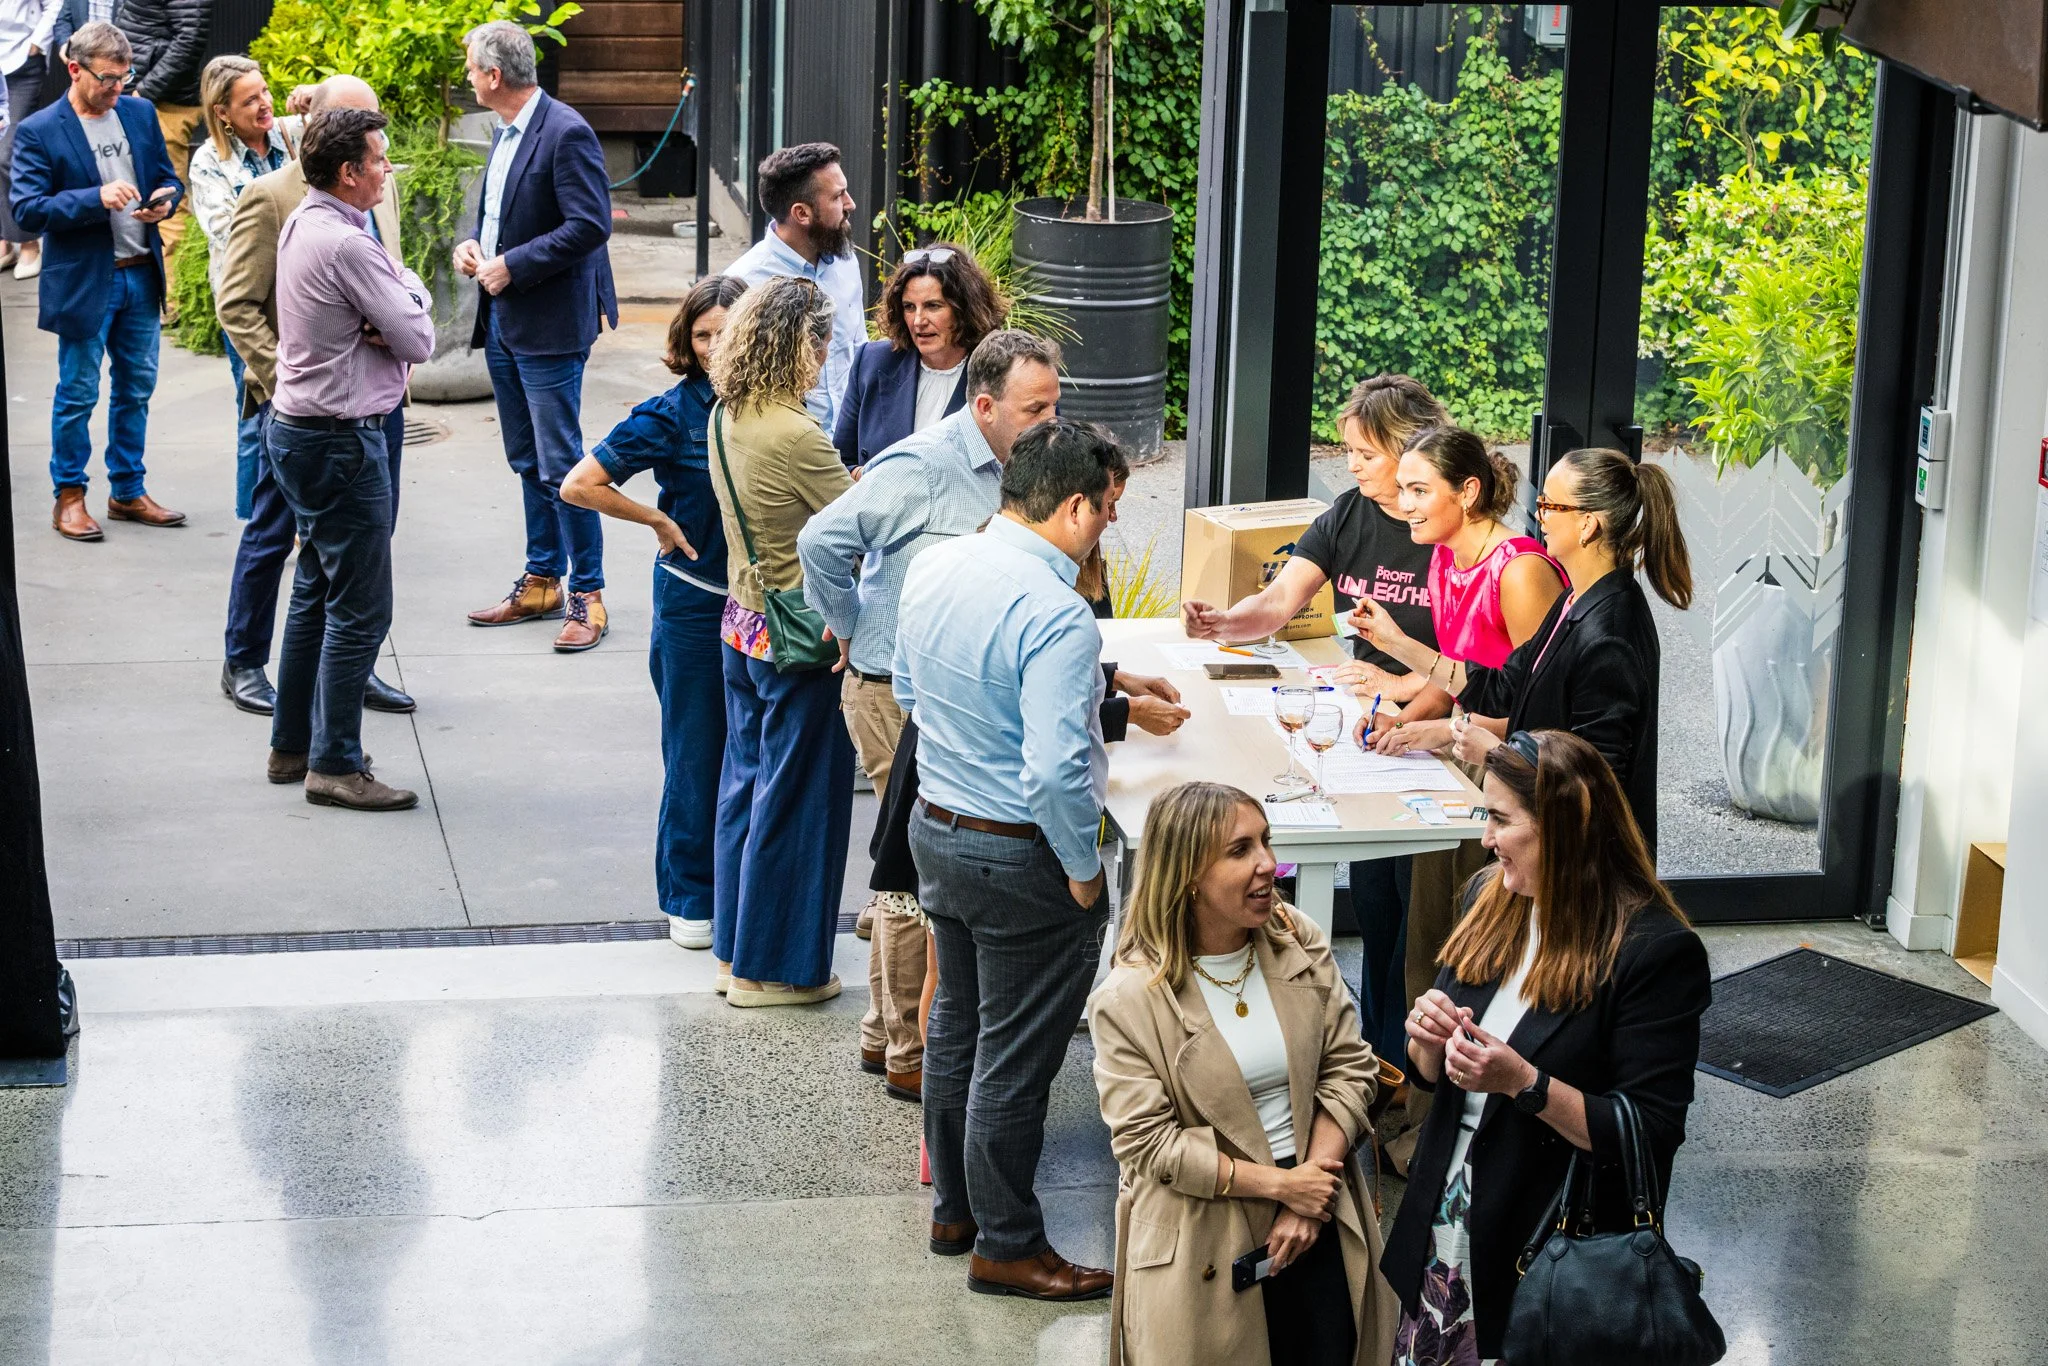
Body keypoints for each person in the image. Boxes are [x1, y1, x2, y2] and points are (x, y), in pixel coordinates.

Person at [1381, 729, 1710, 1364]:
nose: (1486, 840)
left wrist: (1524, 1084)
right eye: (1486, 816)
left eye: (1501, 820)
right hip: (1445, 1235)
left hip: (1551, 1255)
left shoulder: (1652, 952)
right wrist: (1425, 1043)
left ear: (1564, 826)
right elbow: (1431, 1078)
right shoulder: (1492, 899)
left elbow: (1648, 1129)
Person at [894, 417, 1128, 1301]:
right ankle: (1008, 1243)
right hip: (1018, 855)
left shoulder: (937, 565)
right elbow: (1056, 769)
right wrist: (1081, 866)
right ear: (1071, 507)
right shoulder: (1057, 615)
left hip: (937, 831)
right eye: (1104, 512)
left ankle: (954, 1210)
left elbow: (911, 694)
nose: (1105, 527)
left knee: (956, 1026)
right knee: (1016, 1060)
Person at [795, 329, 1064, 1102]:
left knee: (904, 872)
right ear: (984, 406)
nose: (1049, 419)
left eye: (1055, 402)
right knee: (915, 878)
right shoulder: (923, 466)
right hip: (891, 691)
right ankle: (909, 1048)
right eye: (1033, 407)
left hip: (942, 690)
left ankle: (887, 1036)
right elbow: (821, 540)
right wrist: (849, 624)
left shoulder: (1022, 462)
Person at [1180, 373, 1450, 1078]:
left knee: (1415, 921)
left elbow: (1478, 661)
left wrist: (1404, 689)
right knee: (1379, 906)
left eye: (1363, 451)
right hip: (1372, 737)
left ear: (1405, 448)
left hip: (1432, 746)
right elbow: (1278, 601)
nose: (1351, 464)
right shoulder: (1349, 514)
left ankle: (1401, 1073)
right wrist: (1224, 623)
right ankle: (1382, 1065)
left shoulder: (1447, 530)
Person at [1090, 781, 1400, 1366]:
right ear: (1187, 875)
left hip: (1320, 1195)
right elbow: (1149, 1146)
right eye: (1239, 851)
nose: (1267, 864)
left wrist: (1310, 1190)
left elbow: (1349, 1066)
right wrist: (1283, 1189)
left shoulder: (1296, 939)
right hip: (1206, 1226)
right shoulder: (1129, 998)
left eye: (1266, 841)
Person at [1355, 447, 1693, 854]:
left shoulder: (1610, 634)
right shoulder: (1574, 601)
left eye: (1550, 505)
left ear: (1587, 524)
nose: (1540, 515)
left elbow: (1595, 779)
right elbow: (1499, 689)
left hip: (1585, 865)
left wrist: (1496, 753)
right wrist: (1395, 643)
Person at [559, 274, 747, 949]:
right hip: (695, 605)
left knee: (752, 754)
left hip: (761, 606)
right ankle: (691, 896)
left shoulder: (777, 407)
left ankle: (744, 889)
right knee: (697, 753)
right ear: (686, 343)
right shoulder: (670, 414)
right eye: (703, 336)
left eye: (728, 333)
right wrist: (654, 520)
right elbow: (580, 485)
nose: (716, 347)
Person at [214, 73, 410, 718]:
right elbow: (238, 304)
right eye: (357, 130)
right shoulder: (274, 198)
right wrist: (286, 381)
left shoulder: (379, 188)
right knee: (273, 534)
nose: (377, 152)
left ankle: (351, 672)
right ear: (323, 136)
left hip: (374, 407)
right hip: (298, 408)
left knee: (364, 549)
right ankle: (243, 661)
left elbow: (396, 281)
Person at [262, 106, 433, 811]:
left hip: (299, 431)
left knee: (314, 591)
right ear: (348, 172)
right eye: (379, 159)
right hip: (339, 440)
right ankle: (334, 763)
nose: (387, 168)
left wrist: (400, 302)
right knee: (361, 607)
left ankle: (291, 746)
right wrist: (400, 305)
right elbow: (419, 338)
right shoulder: (347, 244)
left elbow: (405, 299)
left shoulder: (312, 220)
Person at [705, 275, 855, 1007]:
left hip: (743, 623)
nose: (826, 359)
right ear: (804, 344)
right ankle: (774, 970)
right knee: (798, 803)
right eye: (822, 344)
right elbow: (857, 522)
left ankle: (736, 949)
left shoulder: (726, 413)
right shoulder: (796, 432)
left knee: (746, 789)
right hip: (800, 637)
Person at [457, 19, 618, 651]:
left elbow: (590, 225)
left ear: (494, 76)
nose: (468, 76)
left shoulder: (566, 131)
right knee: (527, 459)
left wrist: (511, 264)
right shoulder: (506, 130)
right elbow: (502, 213)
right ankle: (543, 579)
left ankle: (589, 594)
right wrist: (479, 246)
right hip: (503, 318)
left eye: (472, 68)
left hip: (549, 325)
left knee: (561, 463)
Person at [10, 19, 184, 542]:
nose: (116, 89)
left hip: (139, 277)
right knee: (78, 393)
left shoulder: (138, 111)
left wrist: (165, 201)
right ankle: (69, 496)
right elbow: (26, 209)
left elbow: (168, 178)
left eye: (124, 79)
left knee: (137, 390)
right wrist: (94, 199)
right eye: (107, 78)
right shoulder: (39, 129)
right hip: (87, 281)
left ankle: (127, 491)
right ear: (74, 68)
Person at [186, 55, 288, 523]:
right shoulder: (209, 163)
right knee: (257, 412)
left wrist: (321, 101)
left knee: (301, 415)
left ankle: (298, 519)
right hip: (248, 307)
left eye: (265, 92)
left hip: (303, 301)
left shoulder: (292, 136)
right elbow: (229, 233)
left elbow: (374, 140)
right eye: (250, 100)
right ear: (222, 112)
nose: (265, 104)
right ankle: (257, 528)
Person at [728, 141, 865, 433]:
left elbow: (857, 349)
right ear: (802, 213)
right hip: (788, 454)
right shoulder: (745, 284)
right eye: (838, 196)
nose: (850, 204)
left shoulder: (846, 261)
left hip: (850, 448)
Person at [833, 242, 1004, 468]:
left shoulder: (1002, 371)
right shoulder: (872, 362)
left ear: (964, 309)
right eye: (909, 307)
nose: (918, 321)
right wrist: (864, 478)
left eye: (933, 306)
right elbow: (840, 462)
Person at [119, 0, 205, 258]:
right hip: (139, 94)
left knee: (168, 203)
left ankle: (175, 298)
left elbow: (190, 39)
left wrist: (142, 92)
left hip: (165, 102)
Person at [0, 0, 60, 280]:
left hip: (20, 63)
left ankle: (28, 241)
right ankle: (3, 241)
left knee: (7, 152)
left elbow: (55, 3)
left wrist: (37, 42)